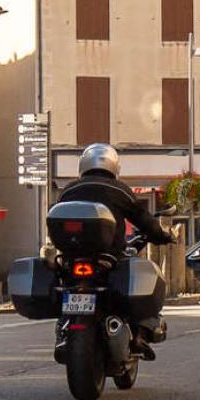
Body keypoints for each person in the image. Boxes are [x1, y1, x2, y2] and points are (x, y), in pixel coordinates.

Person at [53, 143, 178, 357]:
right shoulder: (118, 189)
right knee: (136, 282)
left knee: (67, 287)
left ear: (83, 164)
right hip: (109, 256)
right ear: (114, 166)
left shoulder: (69, 190)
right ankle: (139, 334)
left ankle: (63, 331)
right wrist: (162, 235)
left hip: (71, 258)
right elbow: (143, 219)